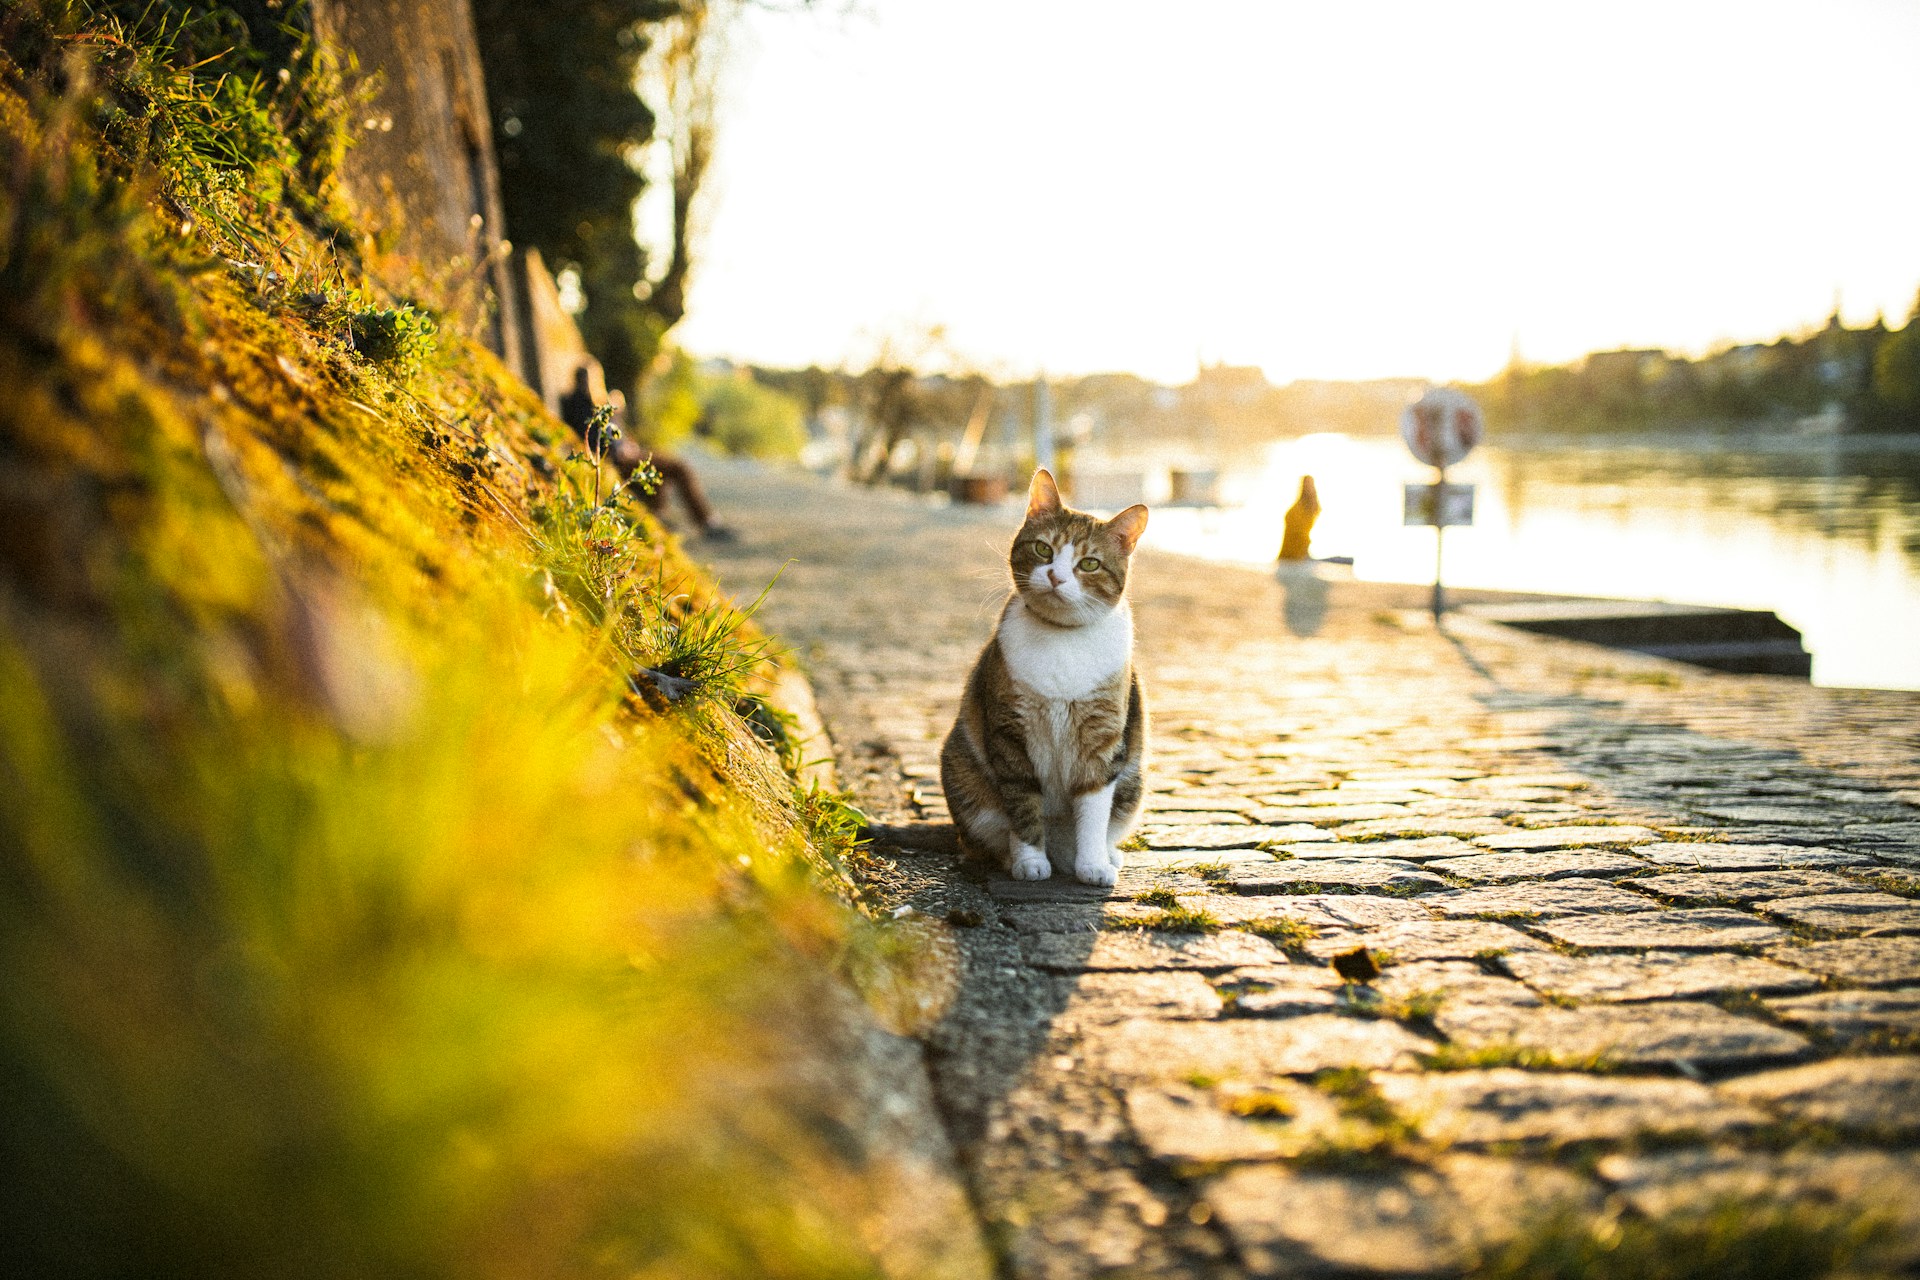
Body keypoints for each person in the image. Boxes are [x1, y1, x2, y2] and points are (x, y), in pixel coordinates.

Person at [557, 364, 730, 539]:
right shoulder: (582, 404)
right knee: (677, 468)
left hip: (626, 454)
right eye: (591, 378)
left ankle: (664, 522)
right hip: (619, 460)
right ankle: (705, 521)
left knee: (662, 473)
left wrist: (617, 413)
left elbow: (614, 433)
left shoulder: (598, 402)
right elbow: (598, 438)